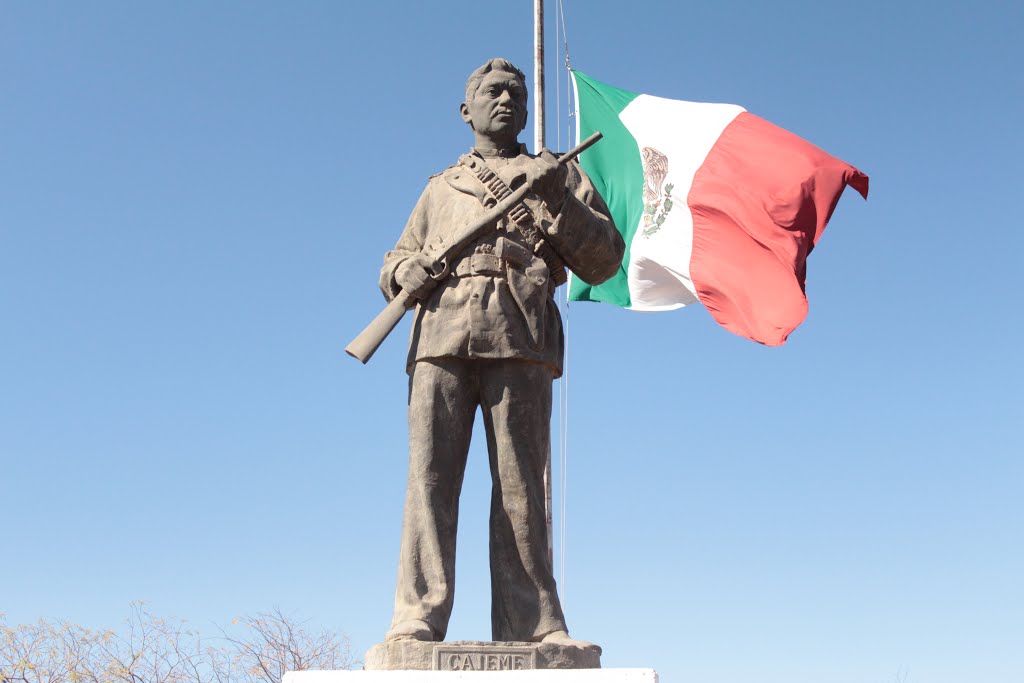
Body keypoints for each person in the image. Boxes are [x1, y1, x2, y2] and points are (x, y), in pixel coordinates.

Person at [379, 58, 623, 646]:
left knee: (520, 488)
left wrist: (557, 203)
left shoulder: (557, 175)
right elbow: (396, 261)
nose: (506, 98)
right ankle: (417, 616)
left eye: (516, 91)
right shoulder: (440, 187)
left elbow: (605, 258)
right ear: (467, 111)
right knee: (429, 481)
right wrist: (403, 271)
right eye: (492, 91)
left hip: (520, 334)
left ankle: (535, 623)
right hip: (441, 335)